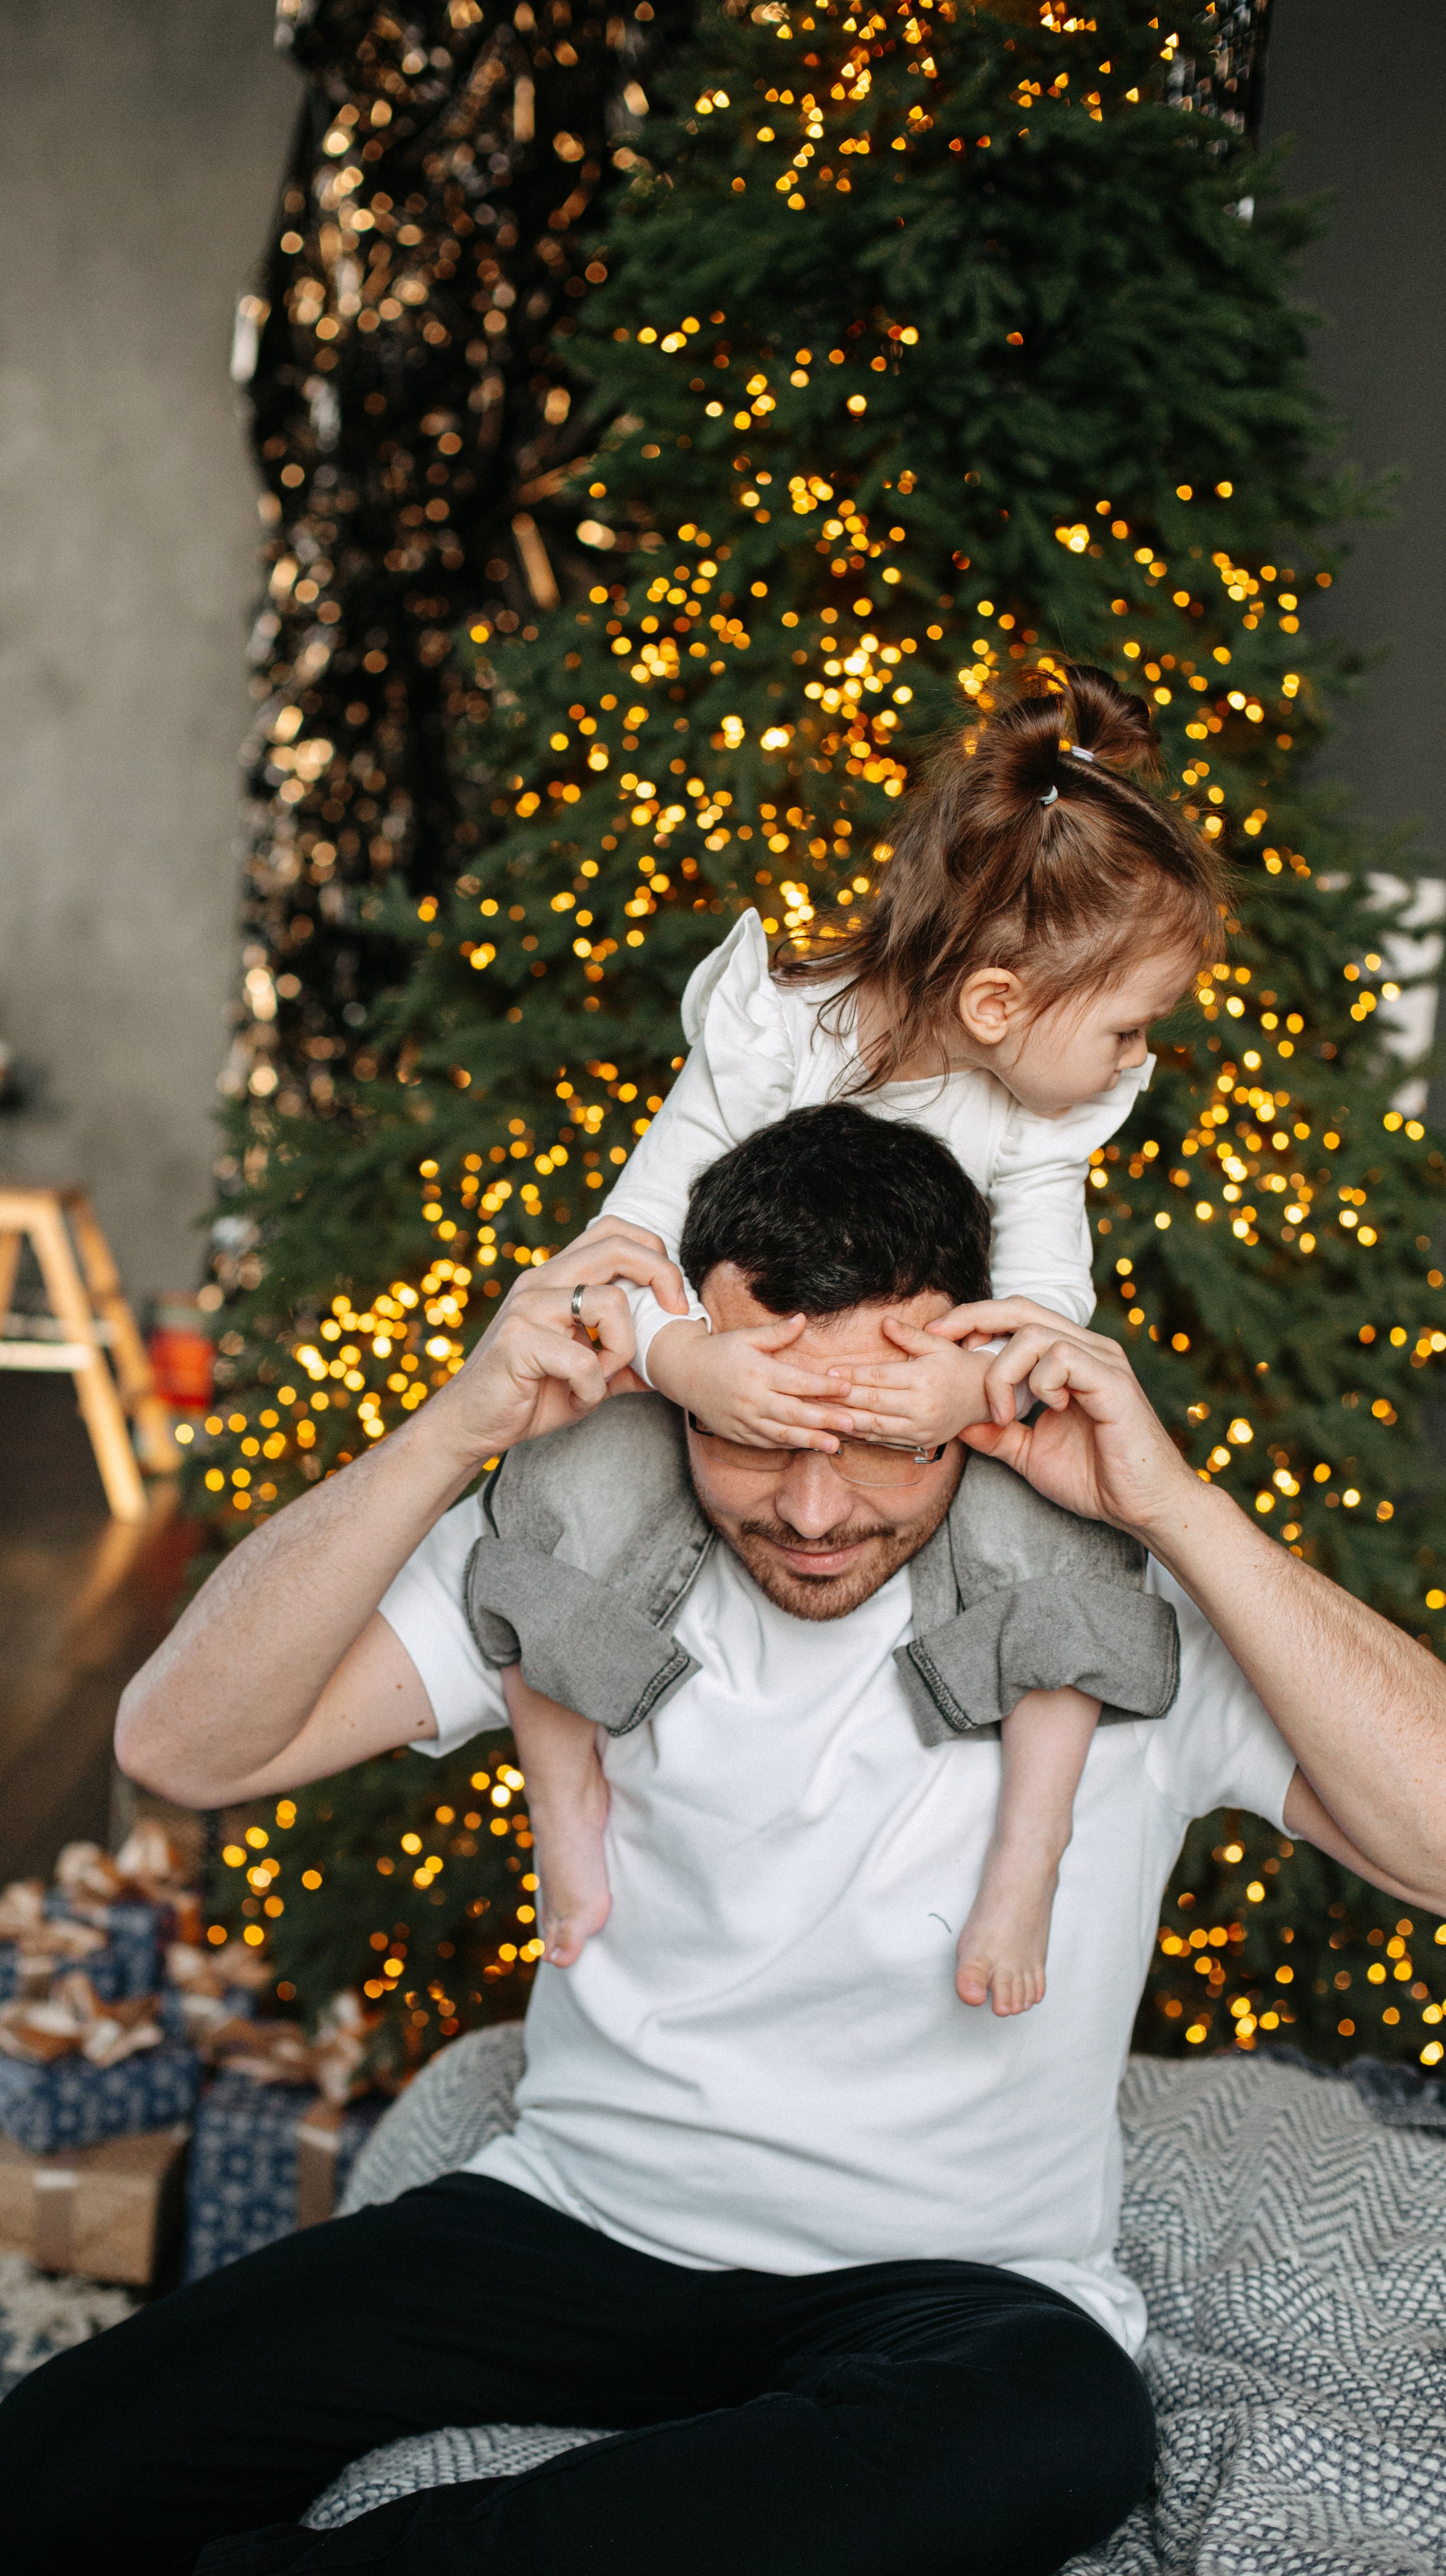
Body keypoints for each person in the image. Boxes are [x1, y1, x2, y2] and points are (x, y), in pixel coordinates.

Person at [0, 1113, 1446, 2576]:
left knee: (1057, 2430)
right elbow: (179, 1746)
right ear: (682, 1387)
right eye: (751, 1433)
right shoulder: (592, 1555)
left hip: (949, 2290)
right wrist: (457, 1423)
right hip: (574, 2223)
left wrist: (1172, 1507)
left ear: (973, 1397)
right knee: (45, 2482)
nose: (810, 1509)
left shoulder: (1113, 1612)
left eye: (872, 1443)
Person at [511, 664, 1225, 2012]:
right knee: (556, 1491)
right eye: (1127, 1026)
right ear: (1002, 1003)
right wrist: (681, 1365)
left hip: (916, 1421)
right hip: (721, 1391)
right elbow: (621, 1249)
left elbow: (1045, 1302)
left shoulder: (1041, 1121)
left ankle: (1028, 1847)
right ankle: (561, 1806)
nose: (1138, 1060)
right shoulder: (771, 1034)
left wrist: (960, 1388)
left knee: (1069, 1541)